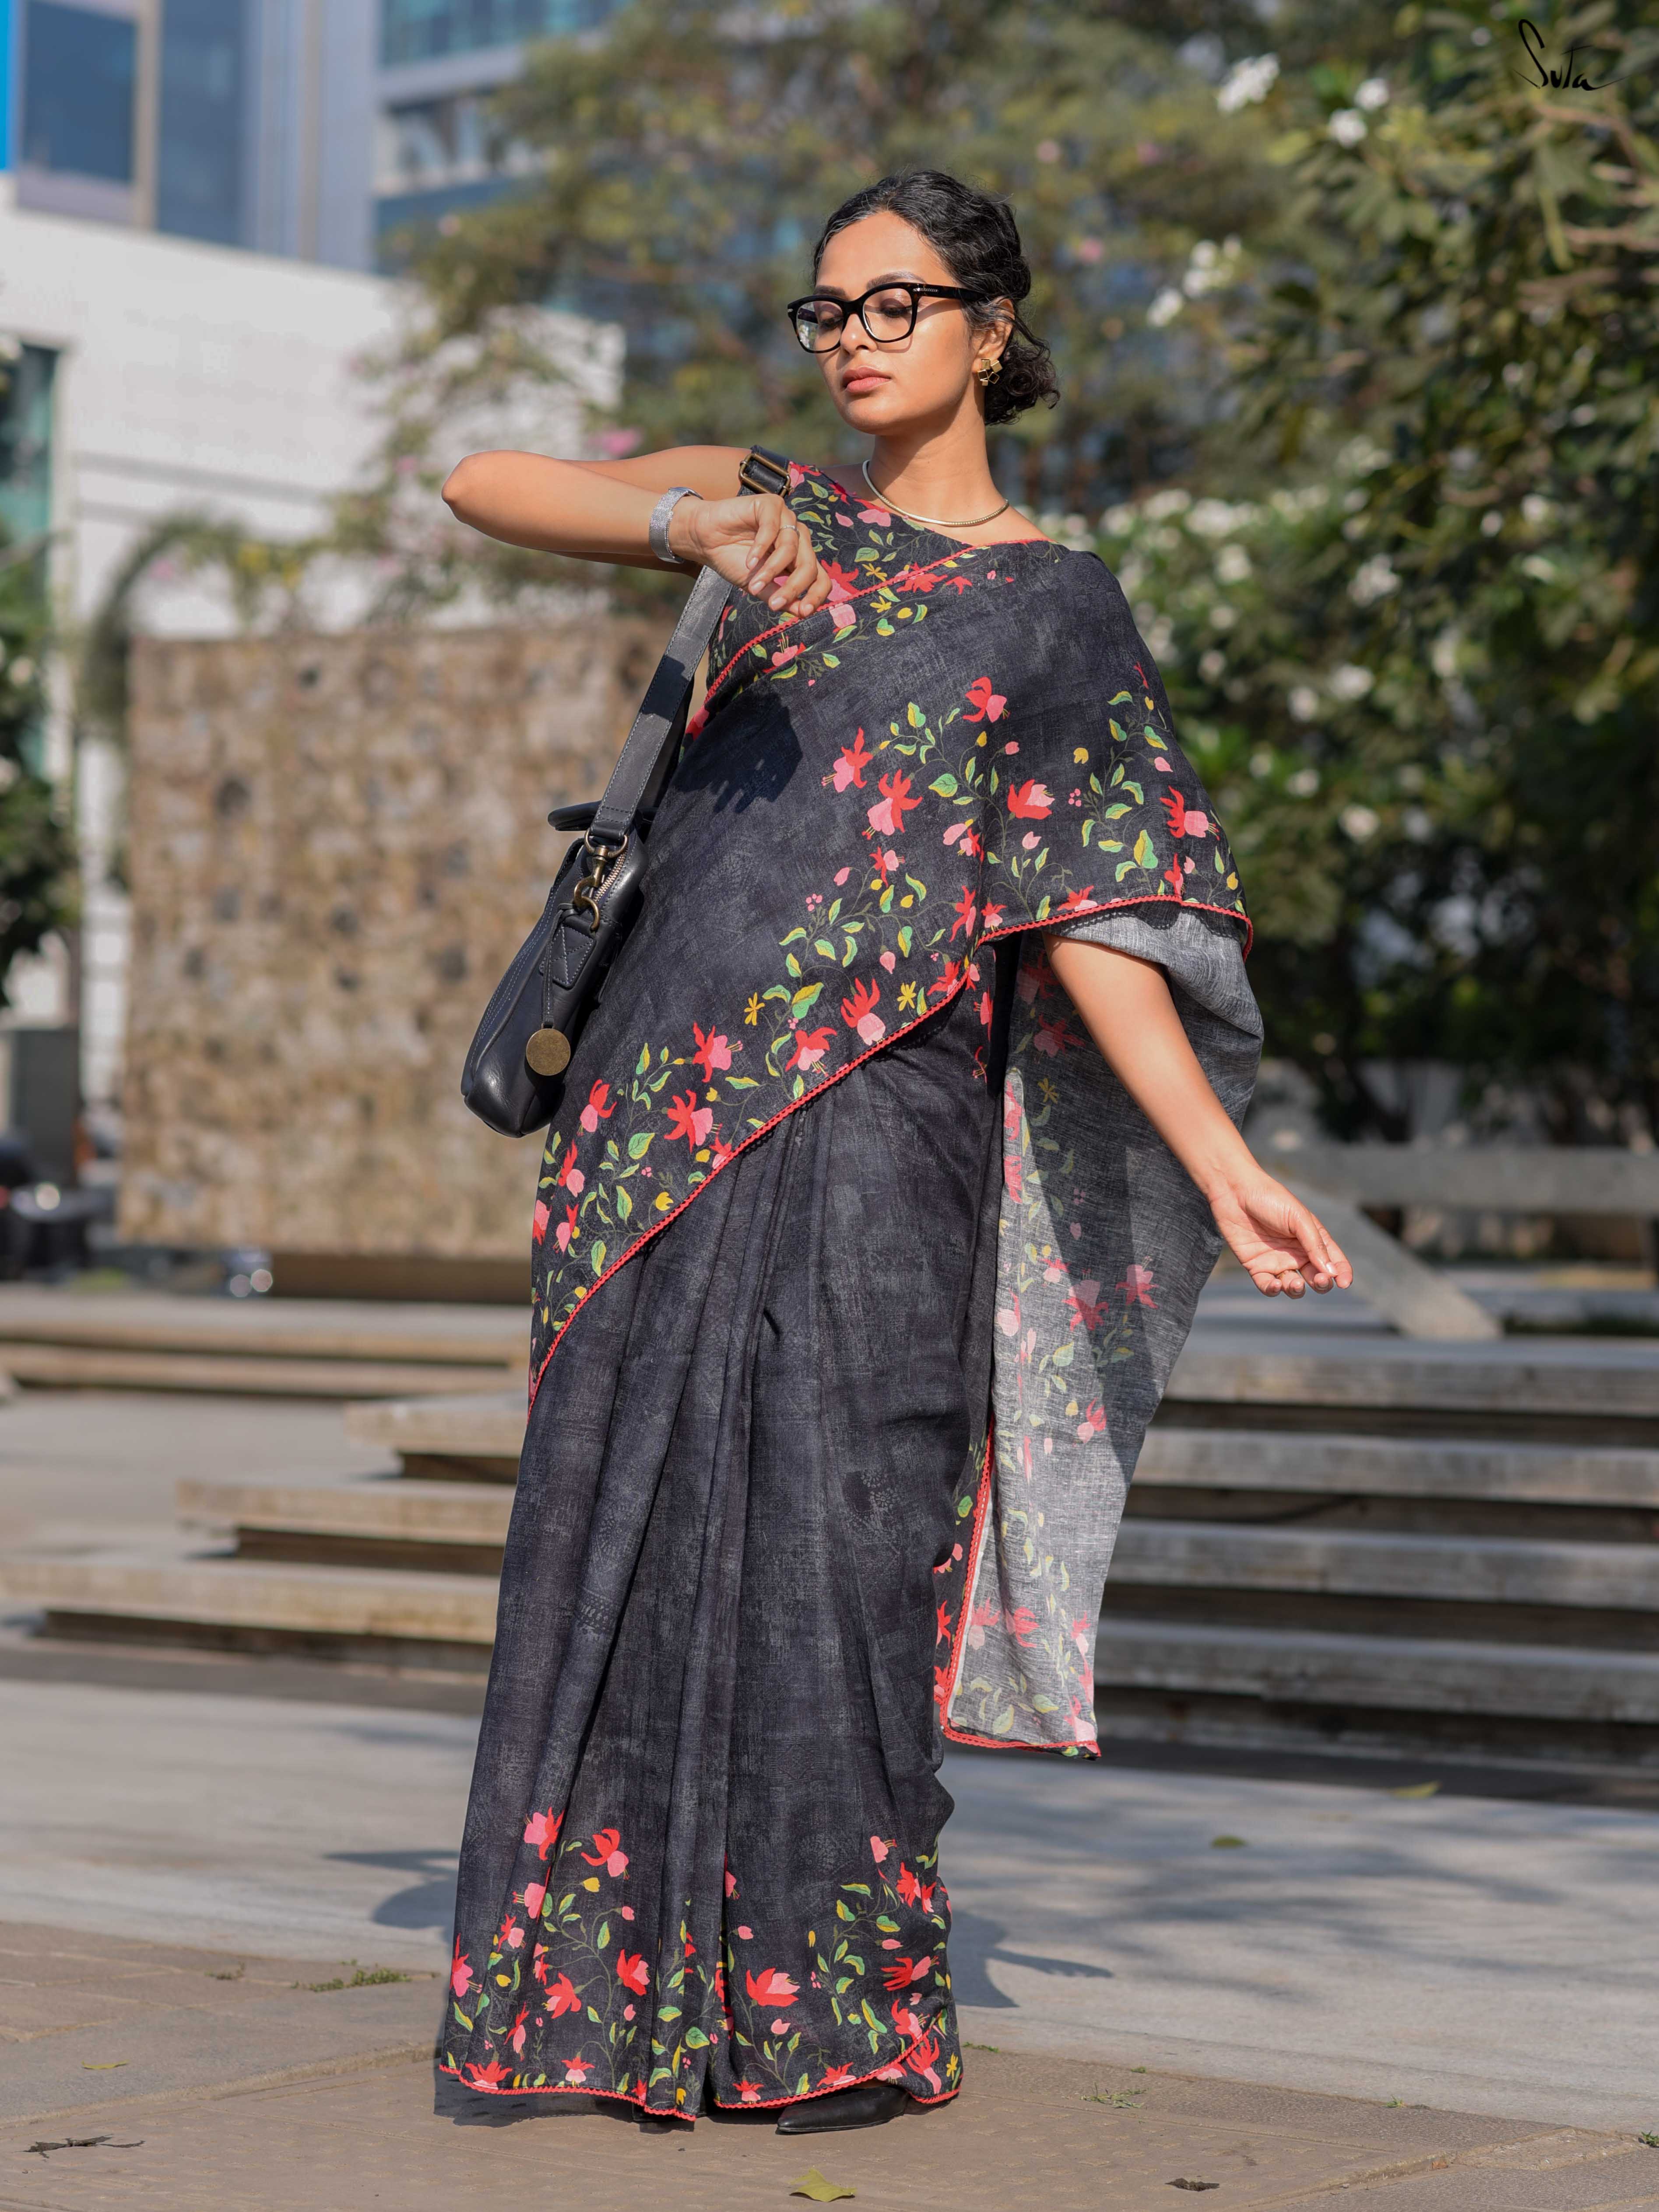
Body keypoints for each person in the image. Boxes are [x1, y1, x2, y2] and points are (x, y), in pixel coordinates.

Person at [436, 169, 1352, 2137]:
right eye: (829, 308)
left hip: (884, 1113)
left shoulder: (1058, 604)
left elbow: (1090, 906)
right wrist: (686, 524)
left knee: (853, 1538)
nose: (854, 338)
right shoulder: (768, 503)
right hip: (658, 1112)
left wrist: (1218, 1158)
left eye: (896, 304)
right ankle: (588, 2005)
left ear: (990, 330)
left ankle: (825, 2011)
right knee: (617, 1527)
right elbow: (481, 479)